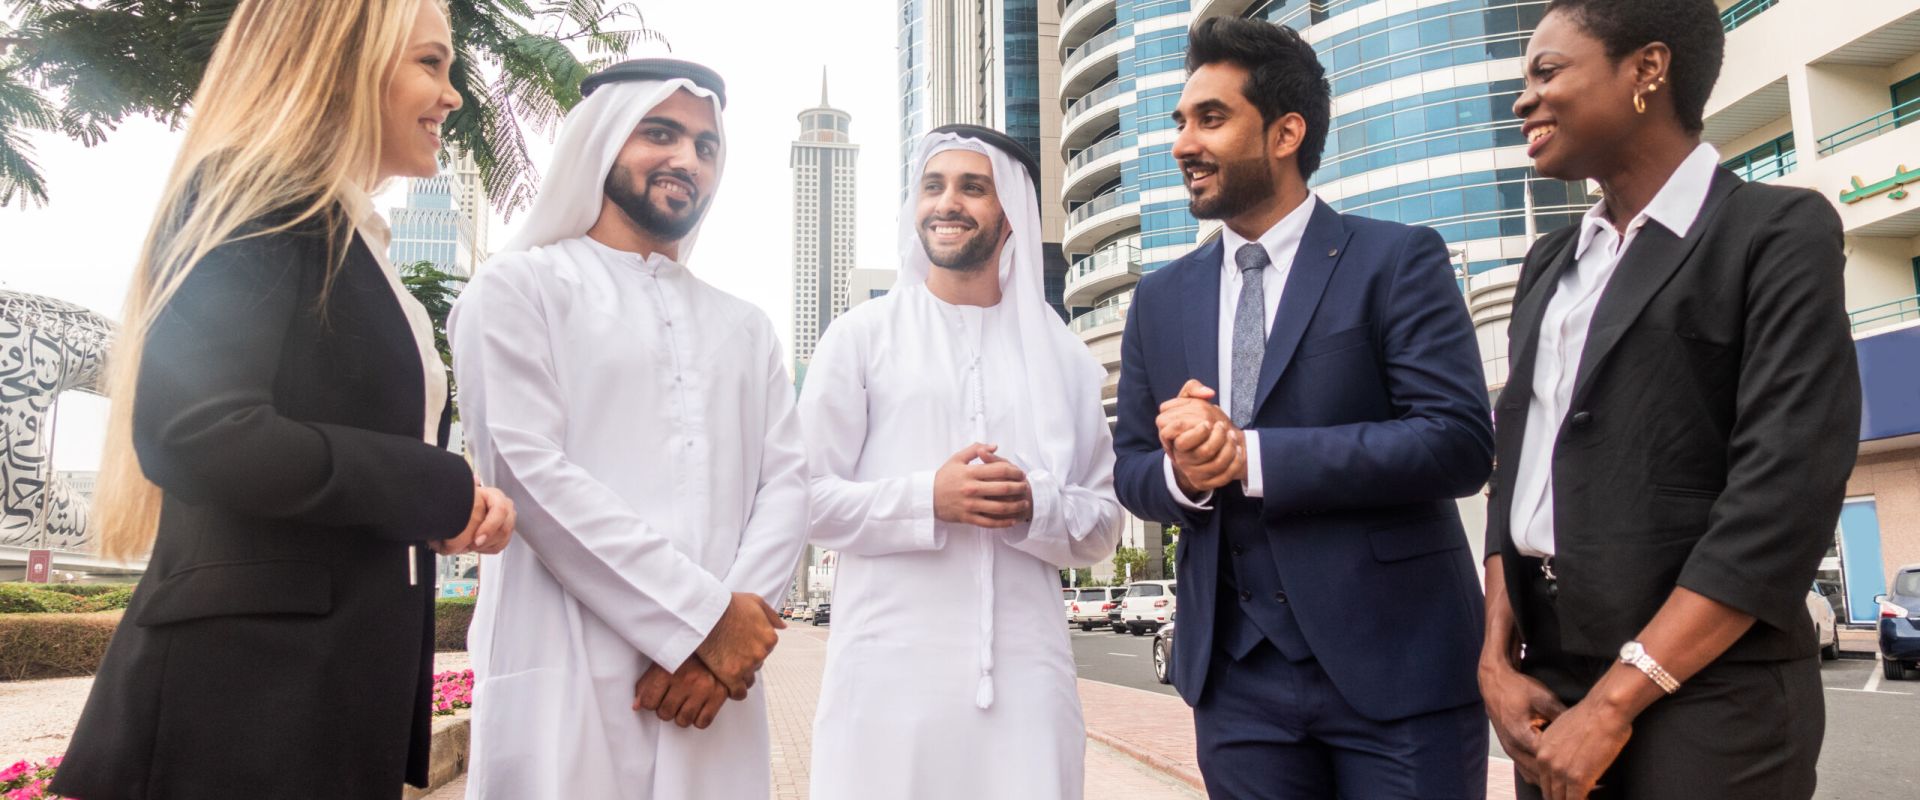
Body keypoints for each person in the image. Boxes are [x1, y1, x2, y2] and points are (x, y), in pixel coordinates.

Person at [51, 1, 515, 797]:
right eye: (430, 64)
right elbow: (198, 431)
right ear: (344, 62)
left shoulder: (357, 235)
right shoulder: (259, 194)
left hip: (317, 705)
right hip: (243, 708)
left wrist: (442, 513)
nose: (453, 95)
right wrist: (434, 487)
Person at [1480, 2, 1859, 797]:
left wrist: (1619, 700)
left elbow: (1780, 501)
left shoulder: (1774, 232)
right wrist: (1495, 662)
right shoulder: (1550, 265)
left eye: (1547, 72)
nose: (1524, 99)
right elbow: (1515, 471)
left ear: (1647, 69)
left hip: (1709, 695)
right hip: (1550, 686)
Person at [1111, 17, 1495, 799]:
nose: (1184, 143)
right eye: (1180, 122)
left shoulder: (1396, 259)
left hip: (1399, 672)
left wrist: (1250, 456)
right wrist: (1185, 475)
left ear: (1286, 132)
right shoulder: (1159, 299)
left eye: (1210, 119)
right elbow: (1131, 468)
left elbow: (1456, 442)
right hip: (1235, 681)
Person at [448, 58, 806, 799]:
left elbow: (788, 486)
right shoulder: (518, 290)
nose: (687, 160)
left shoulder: (747, 328)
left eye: (707, 148)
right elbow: (528, 474)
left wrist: (724, 649)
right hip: (567, 675)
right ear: (603, 142)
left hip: (714, 699)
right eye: (661, 134)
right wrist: (706, 623)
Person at [800, 124, 1123, 800]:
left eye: (972, 188)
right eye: (933, 186)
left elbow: (1101, 527)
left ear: (1010, 214)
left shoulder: (1061, 354)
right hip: (886, 679)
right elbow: (805, 499)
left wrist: (1036, 503)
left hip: (1028, 682)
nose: (947, 203)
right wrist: (929, 498)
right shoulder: (861, 338)